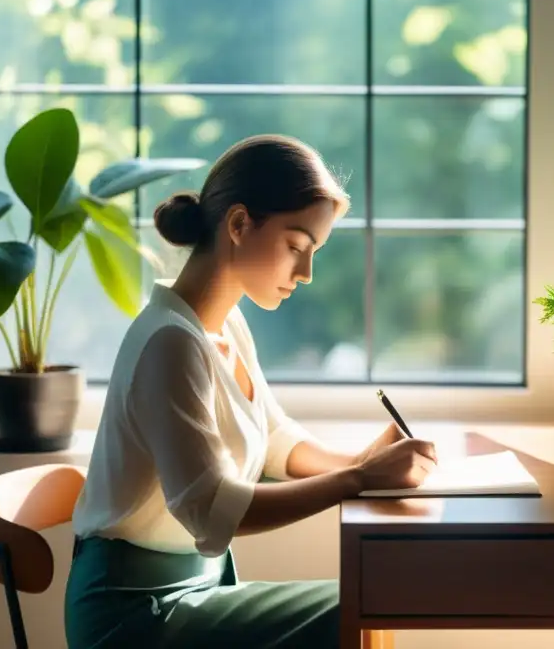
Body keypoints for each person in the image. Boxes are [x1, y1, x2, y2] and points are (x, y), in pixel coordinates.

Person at [64, 134, 438, 648]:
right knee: (361, 604)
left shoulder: (225, 326)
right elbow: (210, 508)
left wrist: (365, 462)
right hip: (133, 612)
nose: (305, 273)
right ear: (238, 224)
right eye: (296, 246)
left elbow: (275, 440)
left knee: (366, 600)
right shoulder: (169, 343)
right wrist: (356, 479)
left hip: (195, 589)